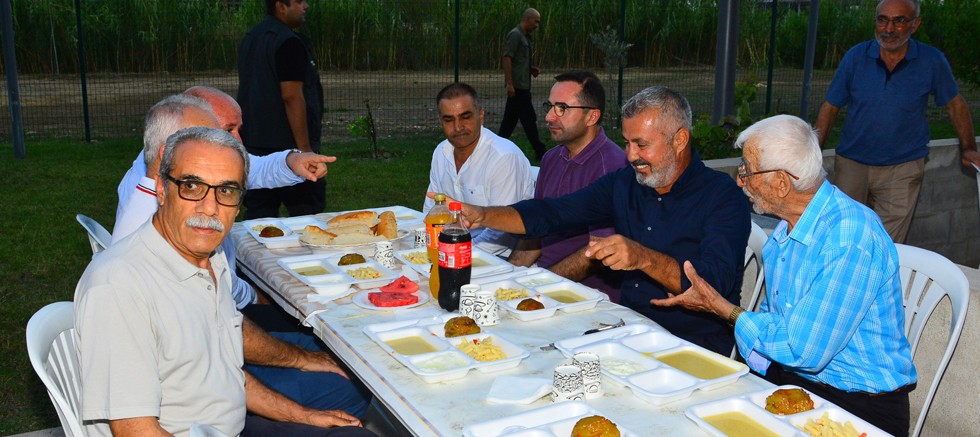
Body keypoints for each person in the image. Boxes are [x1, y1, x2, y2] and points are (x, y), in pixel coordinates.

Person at [75, 127, 375, 437]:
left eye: (227, 191)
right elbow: (134, 430)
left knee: (354, 407)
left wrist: (304, 416)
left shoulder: (208, 258)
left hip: (231, 425)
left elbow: (228, 373)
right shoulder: (118, 285)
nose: (210, 208)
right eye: (192, 186)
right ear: (161, 189)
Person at [653, 115, 917, 437]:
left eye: (747, 171)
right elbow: (775, 320)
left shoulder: (849, 237)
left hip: (858, 406)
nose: (741, 182)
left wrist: (723, 309)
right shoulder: (787, 230)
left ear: (781, 182)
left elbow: (801, 350)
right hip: (796, 384)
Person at [444, 86, 750, 355]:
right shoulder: (625, 183)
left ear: (680, 140)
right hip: (626, 330)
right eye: (626, 142)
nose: (630, 155)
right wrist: (483, 214)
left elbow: (713, 285)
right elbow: (554, 213)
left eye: (641, 144)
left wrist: (642, 257)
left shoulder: (722, 197)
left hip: (691, 345)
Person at [814, 0, 979, 243]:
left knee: (887, 244)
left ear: (915, 24)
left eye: (899, 21)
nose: (889, 29)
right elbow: (830, 107)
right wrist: (813, 153)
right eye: (883, 20)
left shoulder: (931, 60)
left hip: (903, 168)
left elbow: (956, 104)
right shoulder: (856, 57)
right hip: (852, 164)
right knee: (844, 235)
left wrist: (968, 148)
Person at [508, 70, 628, 302]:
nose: (549, 117)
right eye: (550, 106)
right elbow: (537, 230)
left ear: (592, 117)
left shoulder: (612, 166)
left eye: (562, 108)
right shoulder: (551, 158)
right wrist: (509, 277)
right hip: (544, 282)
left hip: (589, 297)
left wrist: (538, 286)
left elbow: (597, 252)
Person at [423, 82, 534, 258]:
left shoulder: (503, 157)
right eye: (449, 120)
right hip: (452, 250)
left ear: (481, 116)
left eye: (465, 117)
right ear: (440, 121)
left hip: (501, 258)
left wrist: (454, 252)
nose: (458, 127)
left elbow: (501, 233)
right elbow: (431, 211)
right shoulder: (441, 152)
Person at [238, 0, 326, 219]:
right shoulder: (289, 43)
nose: (306, 6)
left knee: (259, 216)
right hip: (288, 148)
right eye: (299, 1)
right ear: (281, 6)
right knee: (306, 215)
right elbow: (292, 96)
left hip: (254, 144)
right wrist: (304, 150)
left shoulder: (252, 37)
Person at [499, 7, 548, 161]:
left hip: (522, 86)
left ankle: (496, 147)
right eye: (536, 22)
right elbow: (507, 58)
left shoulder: (524, 37)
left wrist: (530, 69)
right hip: (518, 88)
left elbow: (518, 61)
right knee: (528, 119)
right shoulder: (515, 35)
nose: (537, 25)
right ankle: (540, 151)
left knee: (511, 122)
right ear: (528, 19)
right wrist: (510, 84)